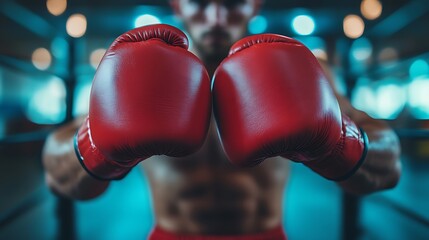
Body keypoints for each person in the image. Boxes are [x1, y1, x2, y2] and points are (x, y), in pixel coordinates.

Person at [42, 0, 402, 239]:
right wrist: (96, 146)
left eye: (231, 2)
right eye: (199, 2)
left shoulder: (301, 68)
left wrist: (339, 141)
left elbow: (388, 168)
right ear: (177, 3)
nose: (215, 16)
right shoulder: (136, 69)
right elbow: (58, 176)